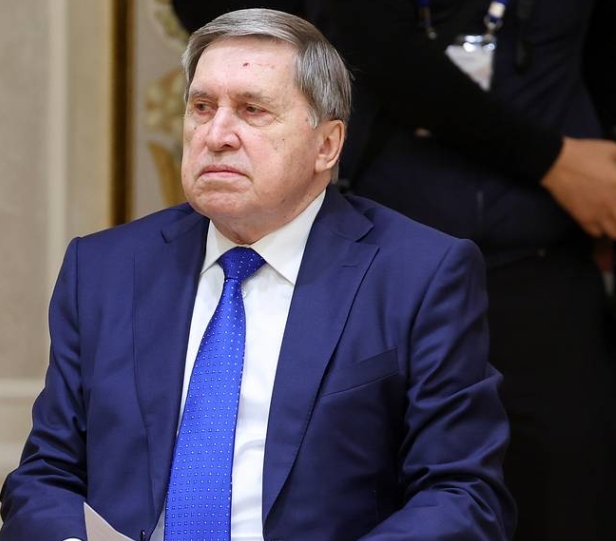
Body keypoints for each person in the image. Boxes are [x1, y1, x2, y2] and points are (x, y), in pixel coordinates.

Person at [0, 9, 515, 541]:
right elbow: (45, 476)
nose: (216, 135)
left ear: (327, 145)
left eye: (252, 110)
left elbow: (462, 494)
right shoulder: (103, 270)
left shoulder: (418, 275)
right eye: (202, 107)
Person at [172, 1, 616, 540]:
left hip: (548, 270)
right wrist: (552, 160)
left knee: (564, 495)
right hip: (382, 266)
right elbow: (375, 41)